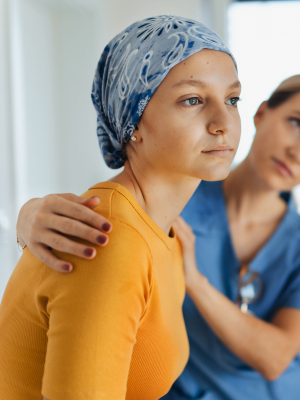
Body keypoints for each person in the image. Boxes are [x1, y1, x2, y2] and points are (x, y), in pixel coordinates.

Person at [16, 72, 300, 400]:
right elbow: (108, 214)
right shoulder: (176, 198)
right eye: (297, 124)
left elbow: (275, 358)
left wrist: (194, 280)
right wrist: (30, 214)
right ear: (262, 113)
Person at [0, 16, 241, 400]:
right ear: (134, 120)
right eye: (192, 100)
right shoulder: (109, 238)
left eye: (232, 99)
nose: (223, 122)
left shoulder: (169, 233)